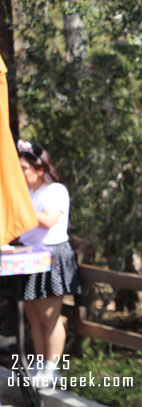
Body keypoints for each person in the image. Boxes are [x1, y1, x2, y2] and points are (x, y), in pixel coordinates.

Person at [17, 139, 81, 383]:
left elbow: (49, 220)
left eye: (24, 169)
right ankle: (40, 364)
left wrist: (21, 208)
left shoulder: (55, 190)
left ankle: (52, 368)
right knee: (33, 315)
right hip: (29, 256)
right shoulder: (30, 193)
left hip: (51, 257)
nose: (21, 175)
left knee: (49, 318)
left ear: (40, 168)